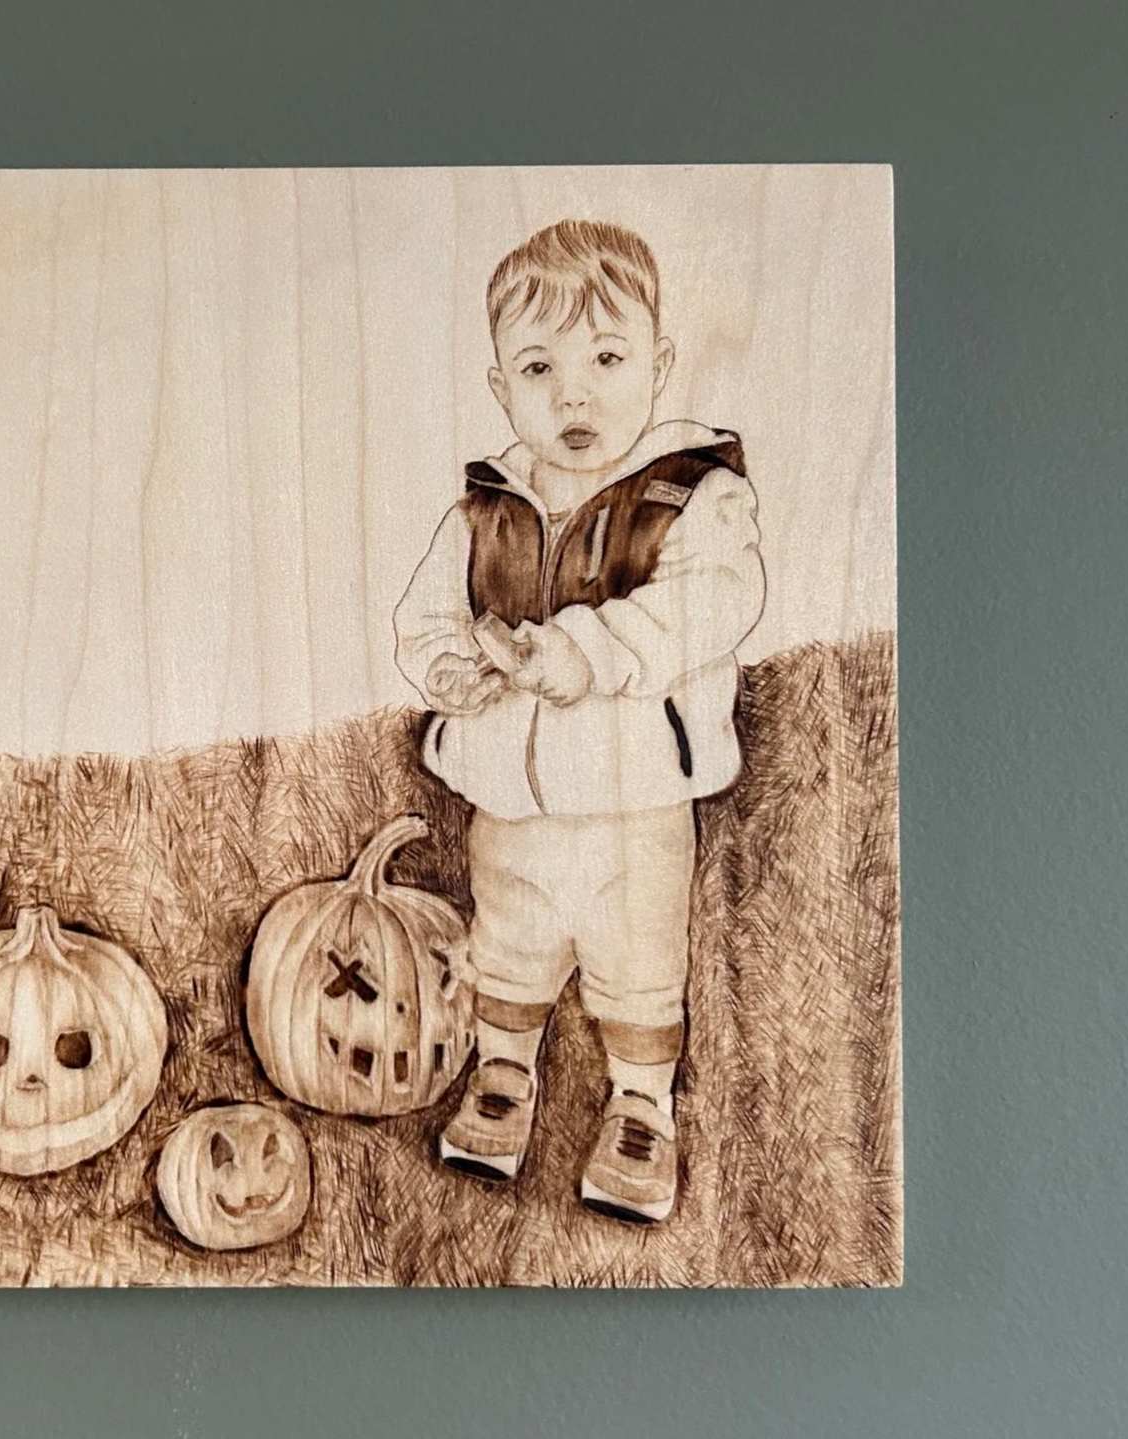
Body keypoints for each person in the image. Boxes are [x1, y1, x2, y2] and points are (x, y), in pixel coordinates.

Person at [393, 219, 765, 1222]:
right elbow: (426, 615)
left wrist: (582, 651)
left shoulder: (688, 497)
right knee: (507, 935)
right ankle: (503, 1074)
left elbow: (706, 604)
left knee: (636, 954)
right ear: (500, 386)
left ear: (658, 363)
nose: (573, 392)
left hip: (635, 798)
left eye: (606, 358)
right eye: (538, 364)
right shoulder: (483, 509)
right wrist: (450, 666)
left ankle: (641, 1108)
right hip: (510, 797)